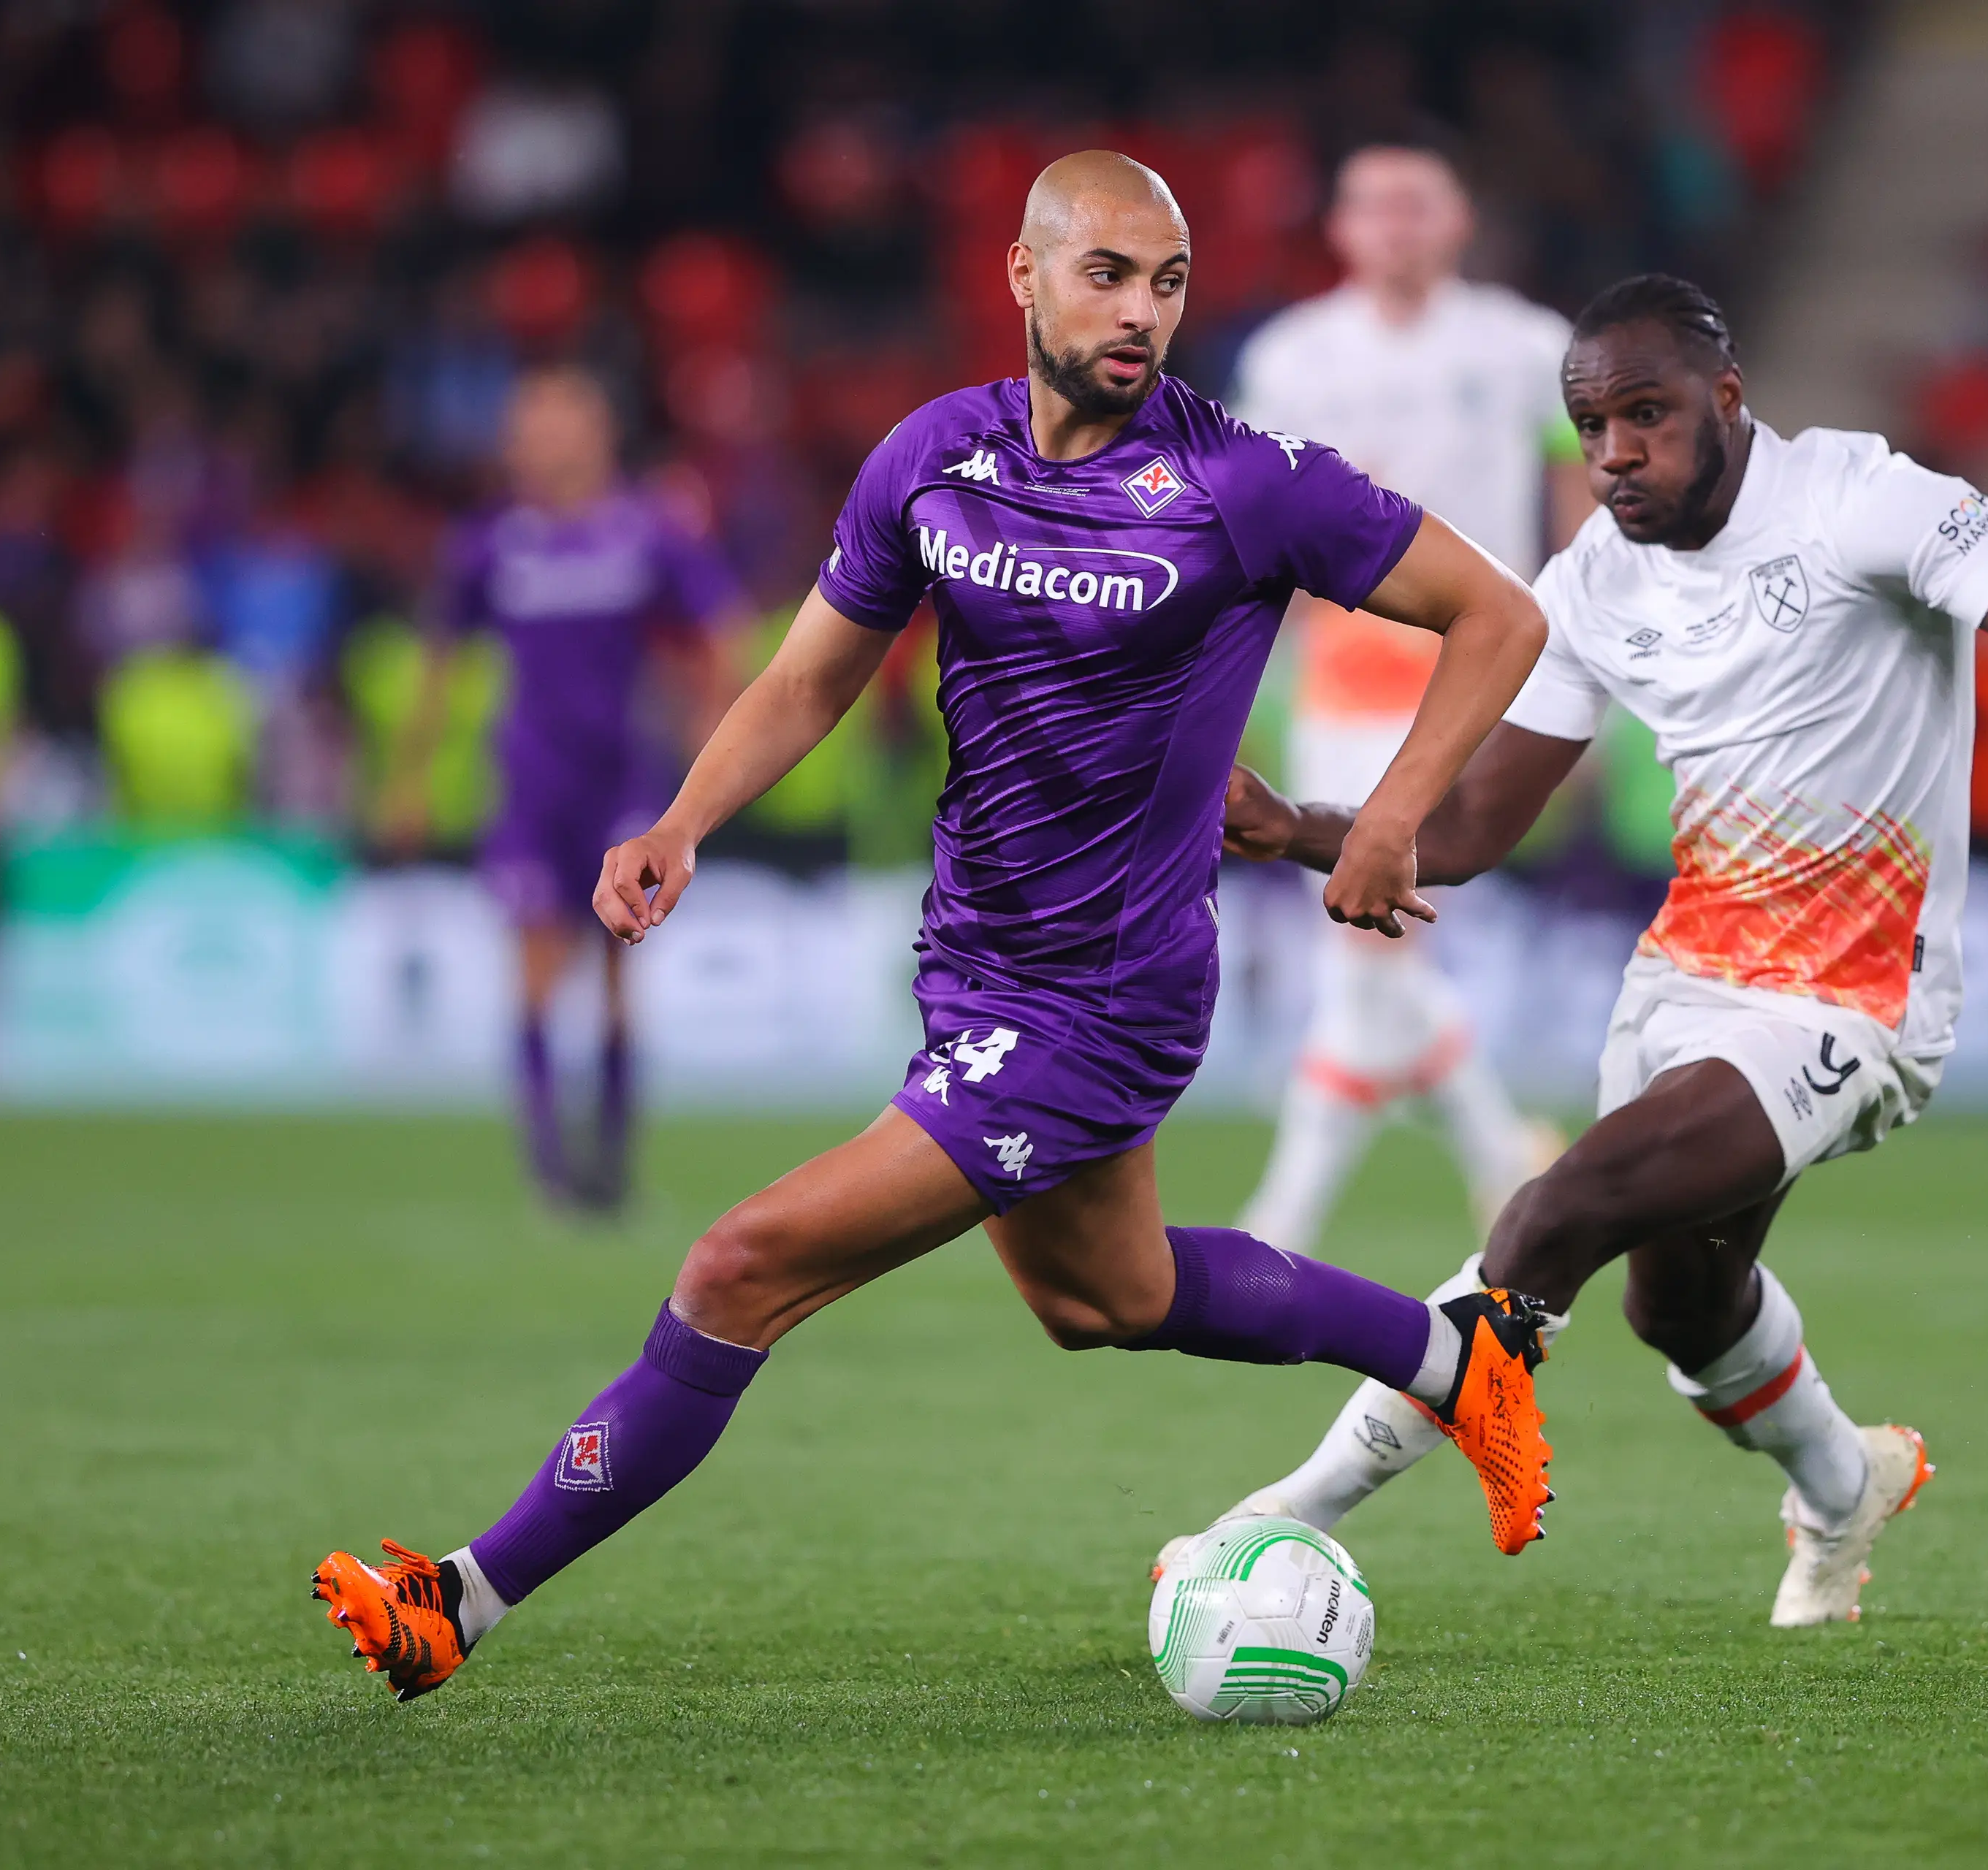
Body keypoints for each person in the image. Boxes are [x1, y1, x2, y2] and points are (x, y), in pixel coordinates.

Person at [310, 152, 1559, 1704]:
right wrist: (684, 818)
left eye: (1169, 282)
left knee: (737, 1264)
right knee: (1110, 1297)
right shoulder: (932, 456)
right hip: (972, 957)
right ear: (1024, 276)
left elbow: (1500, 613)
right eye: (1107, 273)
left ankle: (459, 1597)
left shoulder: (1249, 481)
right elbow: (808, 678)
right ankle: (1459, 1354)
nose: (1143, 312)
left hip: (1106, 994)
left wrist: (1382, 818)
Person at [1160, 275, 1988, 1625]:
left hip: (1856, 1001)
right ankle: (1841, 1482)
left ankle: (1285, 1514)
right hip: (1685, 982)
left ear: (1730, 400)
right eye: (1593, 427)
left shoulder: (1866, 503)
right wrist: (1293, 825)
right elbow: (1465, 827)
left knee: (1555, 1210)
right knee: (1684, 1309)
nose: (1620, 452)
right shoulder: (1587, 586)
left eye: (1650, 415)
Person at [1231, 142, 1593, 1248]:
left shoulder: (1529, 346)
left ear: (1459, 219)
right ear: (1339, 228)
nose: (1394, 224)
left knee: (1372, 933)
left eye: (1416, 203)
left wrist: (1583, 659)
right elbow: (1256, 524)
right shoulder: (1291, 357)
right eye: (1372, 205)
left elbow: (1575, 494)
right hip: (1338, 674)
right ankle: (1506, 1158)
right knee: (1375, 937)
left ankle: (1282, 1224)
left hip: (1470, 673)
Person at [386, 367, 749, 1213]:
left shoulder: (646, 531)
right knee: (537, 968)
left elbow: (720, 628)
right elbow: (441, 660)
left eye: (557, 423)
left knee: (624, 962)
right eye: (528, 425)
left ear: (598, 433)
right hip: (530, 783)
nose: (538, 440)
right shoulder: (491, 541)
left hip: (625, 778)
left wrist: (710, 721)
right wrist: (408, 777)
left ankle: (612, 1158)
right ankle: (551, 1161)